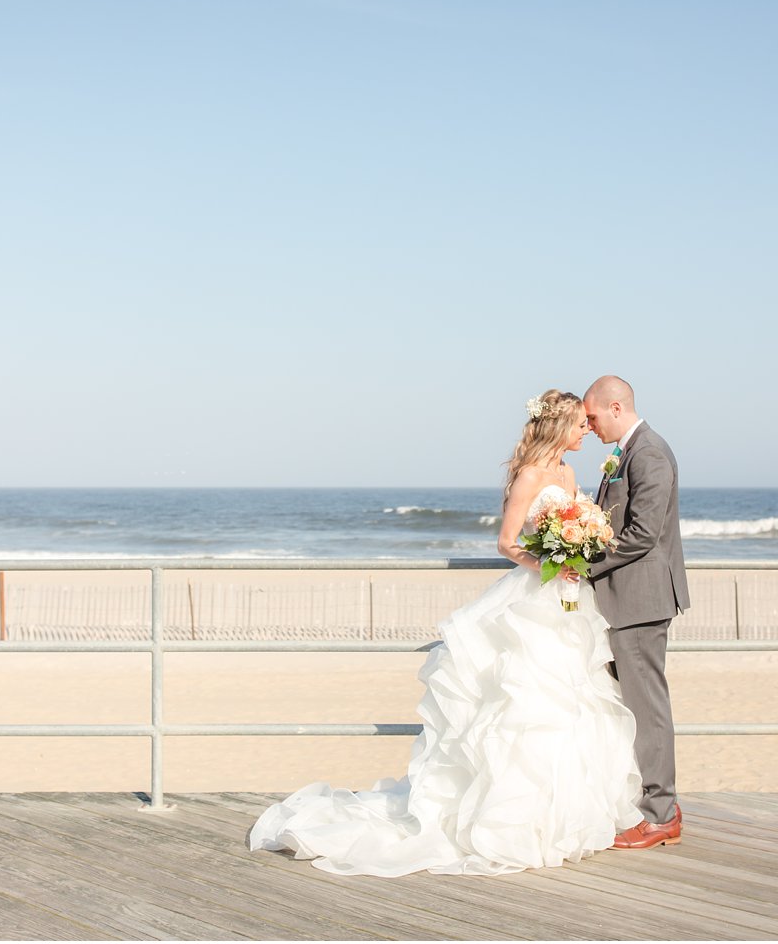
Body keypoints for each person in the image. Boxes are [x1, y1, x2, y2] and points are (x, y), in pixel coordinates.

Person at [249, 389, 642, 876]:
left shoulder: (567, 473)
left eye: (589, 422)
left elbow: (577, 522)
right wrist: (548, 558)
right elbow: (506, 542)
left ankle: (563, 816)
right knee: (521, 702)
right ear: (558, 426)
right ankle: (509, 820)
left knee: (571, 698)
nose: (587, 429)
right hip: (536, 591)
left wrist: (579, 549)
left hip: (568, 599)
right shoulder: (530, 475)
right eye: (579, 423)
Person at [582, 374, 691, 850]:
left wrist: (584, 565)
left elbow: (644, 534)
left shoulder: (647, 453)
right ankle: (657, 804)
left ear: (615, 407)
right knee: (635, 706)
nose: (588, 427)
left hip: (641, 602)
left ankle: (660, 814)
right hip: (625, 601)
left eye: (591, 417)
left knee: (647, 709)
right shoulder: (625, 453)